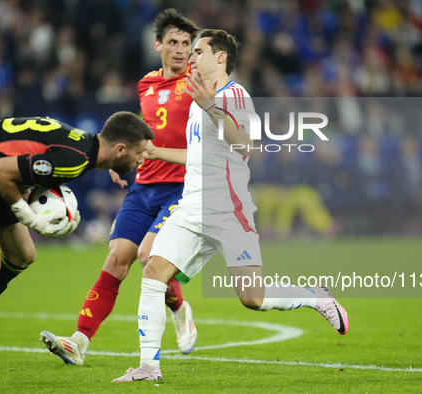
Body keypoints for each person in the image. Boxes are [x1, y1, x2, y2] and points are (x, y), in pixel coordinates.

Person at [112, 29, 349, 383]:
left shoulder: (235, 96)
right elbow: (199, 154)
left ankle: (315, 297)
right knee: (152, 273)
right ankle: (149, 366)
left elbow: (246, 146)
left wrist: (211, 109)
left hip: (229, 211)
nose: (191, 58)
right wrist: (156, 151)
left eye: (199, 52)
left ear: (220, 58)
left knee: (252, 298)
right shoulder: (197, 97)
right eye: (190, 53)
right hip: (191, 208)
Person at [0, 113, 154, 394]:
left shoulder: (83, 148)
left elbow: (19, 161)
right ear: (119, 149)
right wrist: (27, 216)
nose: (143, 159)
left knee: (23, 255)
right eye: (139, 152)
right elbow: (0, 170)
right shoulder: (75, 161)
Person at [39, 9, 201, 365]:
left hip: (181, 188)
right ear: (158, 44)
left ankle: (179, 307)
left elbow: (205, 148)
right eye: (173, 42)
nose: (180, 50)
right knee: (115, 260)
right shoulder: (146, 84)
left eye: (186, 44)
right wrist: (120, 160)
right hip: (144, 186)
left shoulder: (200, 84)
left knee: (147, 255)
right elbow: (141, 132)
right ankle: (79, 342)